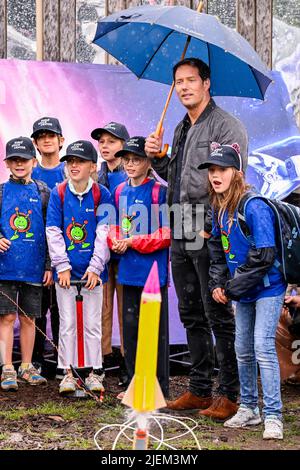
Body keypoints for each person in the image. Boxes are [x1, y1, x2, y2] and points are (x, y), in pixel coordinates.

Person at [145, 57, 248, 418]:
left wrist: (209, 225)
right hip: (181, 225)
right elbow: (175, 178)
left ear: (207, 83)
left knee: (217, 313)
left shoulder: (226, 126)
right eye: (179, 82)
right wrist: (157, 158)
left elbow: (232, 180)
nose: (184, 87)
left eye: (191, 80)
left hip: (211, 230)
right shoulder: (180, 128)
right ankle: (200, 390)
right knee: (191, 313)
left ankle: (231, 394)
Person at [198, 143, 287, 439]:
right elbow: (219, 254)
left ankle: (273, 415)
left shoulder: (254, 205)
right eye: (211, 170)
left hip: (268, 288)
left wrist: (232, 288)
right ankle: (249, 408)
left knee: (262, 347)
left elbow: (264, 255)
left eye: (221, 170)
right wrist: (217, 285)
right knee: (242, 349)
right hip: (243, 291)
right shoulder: (219, 208)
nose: (215, 176)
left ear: (237, 173)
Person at [46, 140, 111, 394]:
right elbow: (53, 230)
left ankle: (95, 371)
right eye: (70, 161)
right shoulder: (59, 192)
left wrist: (96, 267)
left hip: (92, 274)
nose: (74, 165)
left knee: (93, 323)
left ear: (92, 166)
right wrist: (61, 265)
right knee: (68, 323)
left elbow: (104, 232)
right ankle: (68, 372)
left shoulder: (101, 194)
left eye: (80, 161)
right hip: (66, 274)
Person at [108, 136, 171, 398]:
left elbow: (167, 232)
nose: (131, 164)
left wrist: (135, 242)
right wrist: (116, 241)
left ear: (148, 162)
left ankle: (159, 387)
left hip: (154, 273)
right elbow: (112, 224)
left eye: (137, 159)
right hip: (128, 271)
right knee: (131, 330)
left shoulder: (159, 191)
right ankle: (135, 383)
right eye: (127, 160)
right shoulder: (120, 191)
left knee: (155, 331)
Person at [0, 137, 51, 391]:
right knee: (7, 317)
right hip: (5, 268)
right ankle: (7, 368)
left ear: (34, 161)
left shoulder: (43, 192)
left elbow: (52, 229)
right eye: (14, 160)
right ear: (8, 164)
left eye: (24, 159)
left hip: (34, 267)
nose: (19, 164)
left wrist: (49, 265)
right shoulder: (0, 191)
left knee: (29, 317)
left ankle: (27, 366)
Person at [91, 122, 129, 386]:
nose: (105, 146)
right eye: (102, 142)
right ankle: (101, 362)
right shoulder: (95, 176)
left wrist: (126, 238)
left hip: (127, 252)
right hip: (102, 253)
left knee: (126, 310)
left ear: (123, 146)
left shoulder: (133, 175)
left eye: (111, 142)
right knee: (102, 308)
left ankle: (128, 363)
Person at [31, 116, 66, 371]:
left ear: (61, 140)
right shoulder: (29, 173)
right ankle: (39, 360)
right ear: (35, 143)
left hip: (68, 250)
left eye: (50, 135)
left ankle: (64, 360)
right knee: (39, 306)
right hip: (37, 251)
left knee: (62, 309)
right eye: (41, 136)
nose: (46, 139)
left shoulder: (71, 170)